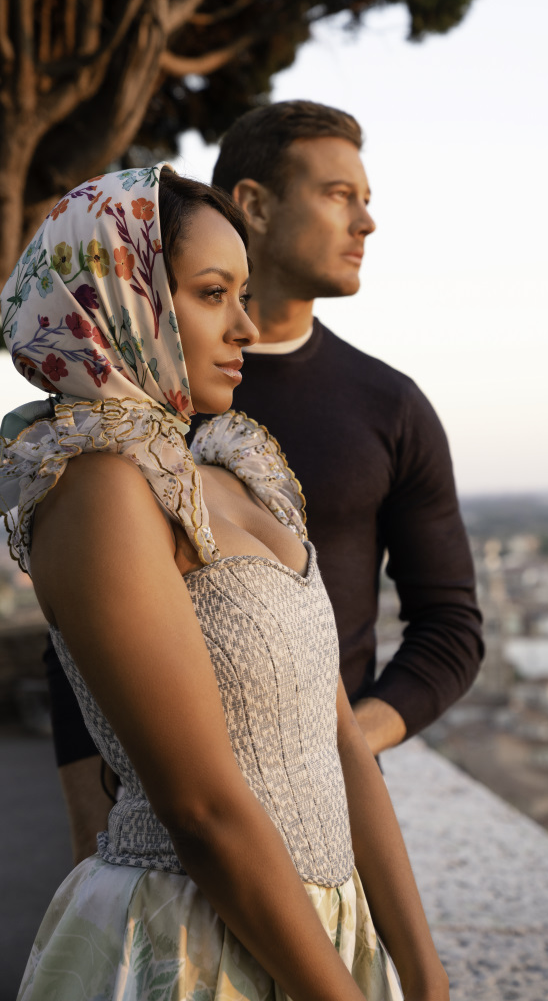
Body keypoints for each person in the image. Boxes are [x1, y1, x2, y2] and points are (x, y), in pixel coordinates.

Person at [1, 165, 449, 1000]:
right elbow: (200, 809)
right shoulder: (98, 488)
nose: (245, 325)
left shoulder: (231, 470)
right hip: (191, 942)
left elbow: (340, 741)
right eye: (212, 294)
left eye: (242, 295)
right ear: (120, 302)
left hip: (324, 935)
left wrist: (425, 975)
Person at [46, 101, 484, 865]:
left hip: (333, 825)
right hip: (154, 833)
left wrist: (334, 745)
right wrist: (89, 820)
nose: (366, 222)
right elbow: (72, 630)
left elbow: (449, 627)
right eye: (338, 195)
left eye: (366, 200)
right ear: (252, 203)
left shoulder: (390, 407)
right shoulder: (130, 402)